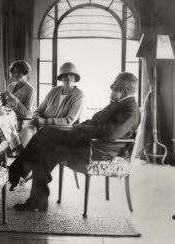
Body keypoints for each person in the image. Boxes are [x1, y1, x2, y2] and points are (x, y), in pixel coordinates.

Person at [9, 72, 140, 211]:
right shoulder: (119, 104)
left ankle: (17, 172)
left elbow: (110, 133)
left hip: (96, 150)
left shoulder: (130, 109)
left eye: (115, 86)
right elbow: (95, 121)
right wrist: (80, 126)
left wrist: (80, 129)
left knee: (45, 133)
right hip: (88, 143)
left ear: (125, 87)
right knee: (46, 150)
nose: (112, 89)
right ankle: (35, 198)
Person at [19, 62, 84, 146]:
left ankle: (30, 155)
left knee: (38, 139)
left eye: (71, 75)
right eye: (65, 75)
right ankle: (24, 155)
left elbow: (69, 121)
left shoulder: (79, 95)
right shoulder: (54, 91)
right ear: (61, 78)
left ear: (75, 78)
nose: (68, 77)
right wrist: (36, 116)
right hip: (42, 126)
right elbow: (39, 109)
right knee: (26, 131)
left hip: (61, 130)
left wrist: (45, 121)